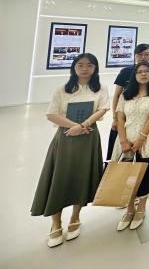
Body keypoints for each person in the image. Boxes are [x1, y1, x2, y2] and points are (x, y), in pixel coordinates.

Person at [31, 54, 109, 248]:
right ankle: (56, 223)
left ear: (95, 68)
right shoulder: (62, 89)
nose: (85, 69)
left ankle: (75, 217)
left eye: (89, 65)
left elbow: (102, 110)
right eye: (80, 65)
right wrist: (74, 127)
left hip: (89, 137)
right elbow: (51, 114)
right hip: (66, 137)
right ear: (74, 67)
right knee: (60, 177)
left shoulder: (100, 88)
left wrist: (82, 126)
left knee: (82, 177)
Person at [112, 61, 149, 231]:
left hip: (147, 138)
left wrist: (141, 139)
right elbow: (120, 118)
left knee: (144, 174)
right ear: (134, 75)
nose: (144, 74)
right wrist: (123, 140)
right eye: (140, 71)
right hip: (126, 137)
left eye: (147, 71)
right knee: (127, 175)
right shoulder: (126, 94)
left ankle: (141, 209)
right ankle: (129, 209)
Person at [107, 44, 149, 162]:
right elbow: (117, 96)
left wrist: (141, 140)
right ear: (135, 55)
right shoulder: (125, 73)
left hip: (147, 132)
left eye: (146, 54)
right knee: (121, 164)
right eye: (140, 54)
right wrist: (115, 118)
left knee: (146, 166)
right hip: (127, 123)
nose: (143, 57)